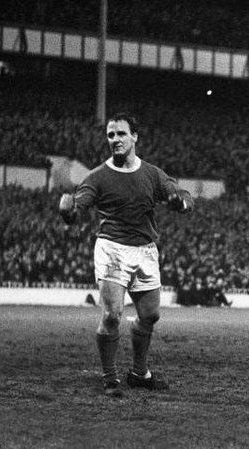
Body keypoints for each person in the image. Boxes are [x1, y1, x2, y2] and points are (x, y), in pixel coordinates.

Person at [59, 112, 194, 397]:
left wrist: (180, 203)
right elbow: (77, 210)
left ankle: (139, 373)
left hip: (145, 250)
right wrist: (68, 212)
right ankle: (110, 378)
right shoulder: (97, 176)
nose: (115, 139)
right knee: (112, 315)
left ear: (135, 136)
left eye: (121, 133)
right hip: (113, 248)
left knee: (151, 315)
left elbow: (183, 195)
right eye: (110, 135)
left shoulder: (152, 174)